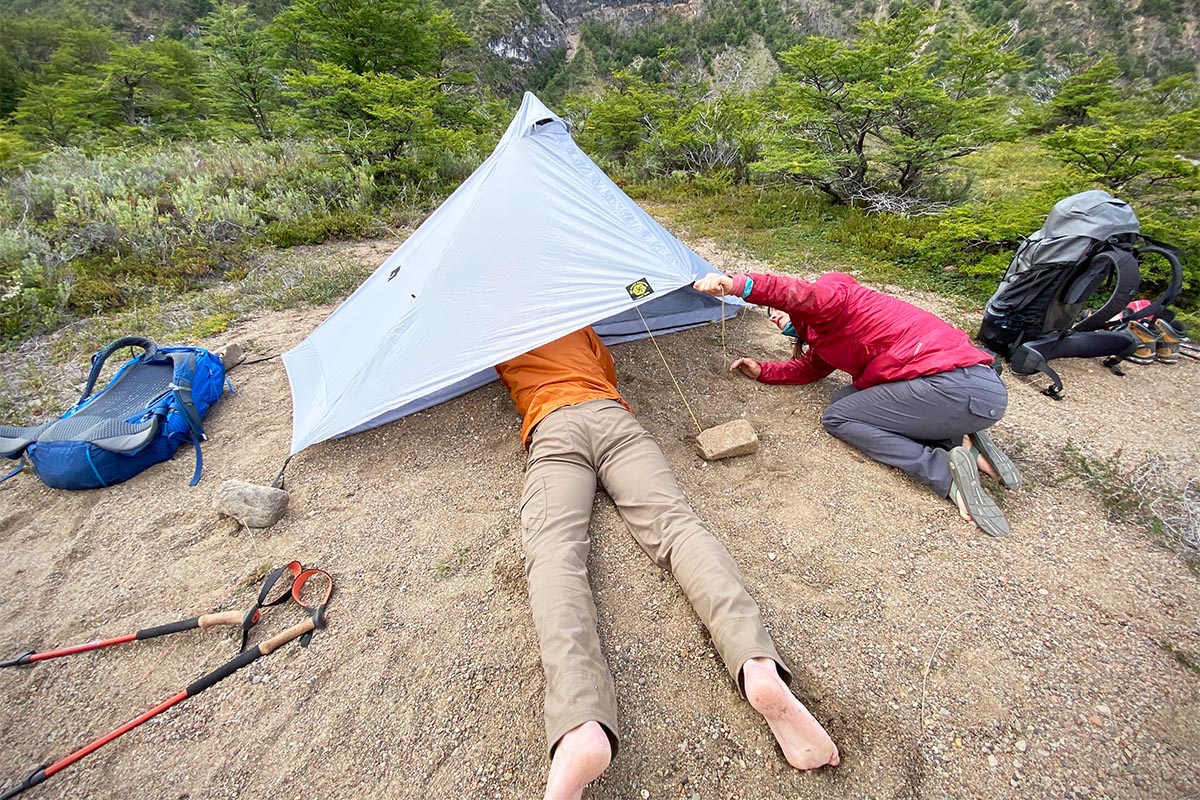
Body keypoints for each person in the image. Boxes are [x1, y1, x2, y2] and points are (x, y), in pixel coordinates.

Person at [494, 326, 839, 800]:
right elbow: (606, 370)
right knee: (677, 528)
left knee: (555, 554)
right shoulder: (576, 318)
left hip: (552, 427)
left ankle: (579, 722)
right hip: (612, 418)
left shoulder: (499, 335)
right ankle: (756, 661)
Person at [693, 271, 1022, 538]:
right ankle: (965, 444)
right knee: (846, 400)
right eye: (771, 317)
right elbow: (809, 369)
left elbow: (795, 293)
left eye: (776, 311)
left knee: (837, 417)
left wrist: (737, 285)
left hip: (951, 385)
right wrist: (763, 371)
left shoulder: (832, 297)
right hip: (972, 387)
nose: (774, 318)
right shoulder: (824, 335)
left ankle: (944, 470)